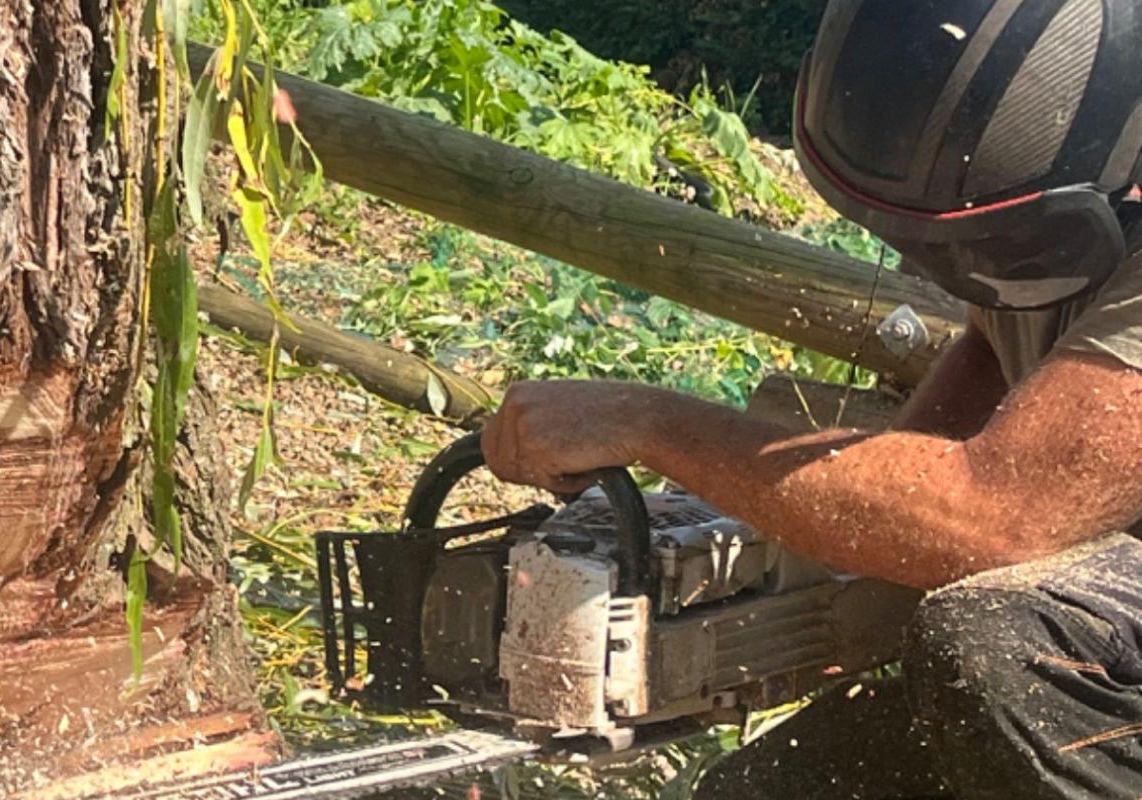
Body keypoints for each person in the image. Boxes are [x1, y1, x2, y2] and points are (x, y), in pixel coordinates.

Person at [479, 1, 1142, 797]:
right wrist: (818, 527)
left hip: (1084, 654)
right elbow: (994, 350)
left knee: (1001, 641)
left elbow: (994, 515)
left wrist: (647, 423)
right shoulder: (1047, 224)